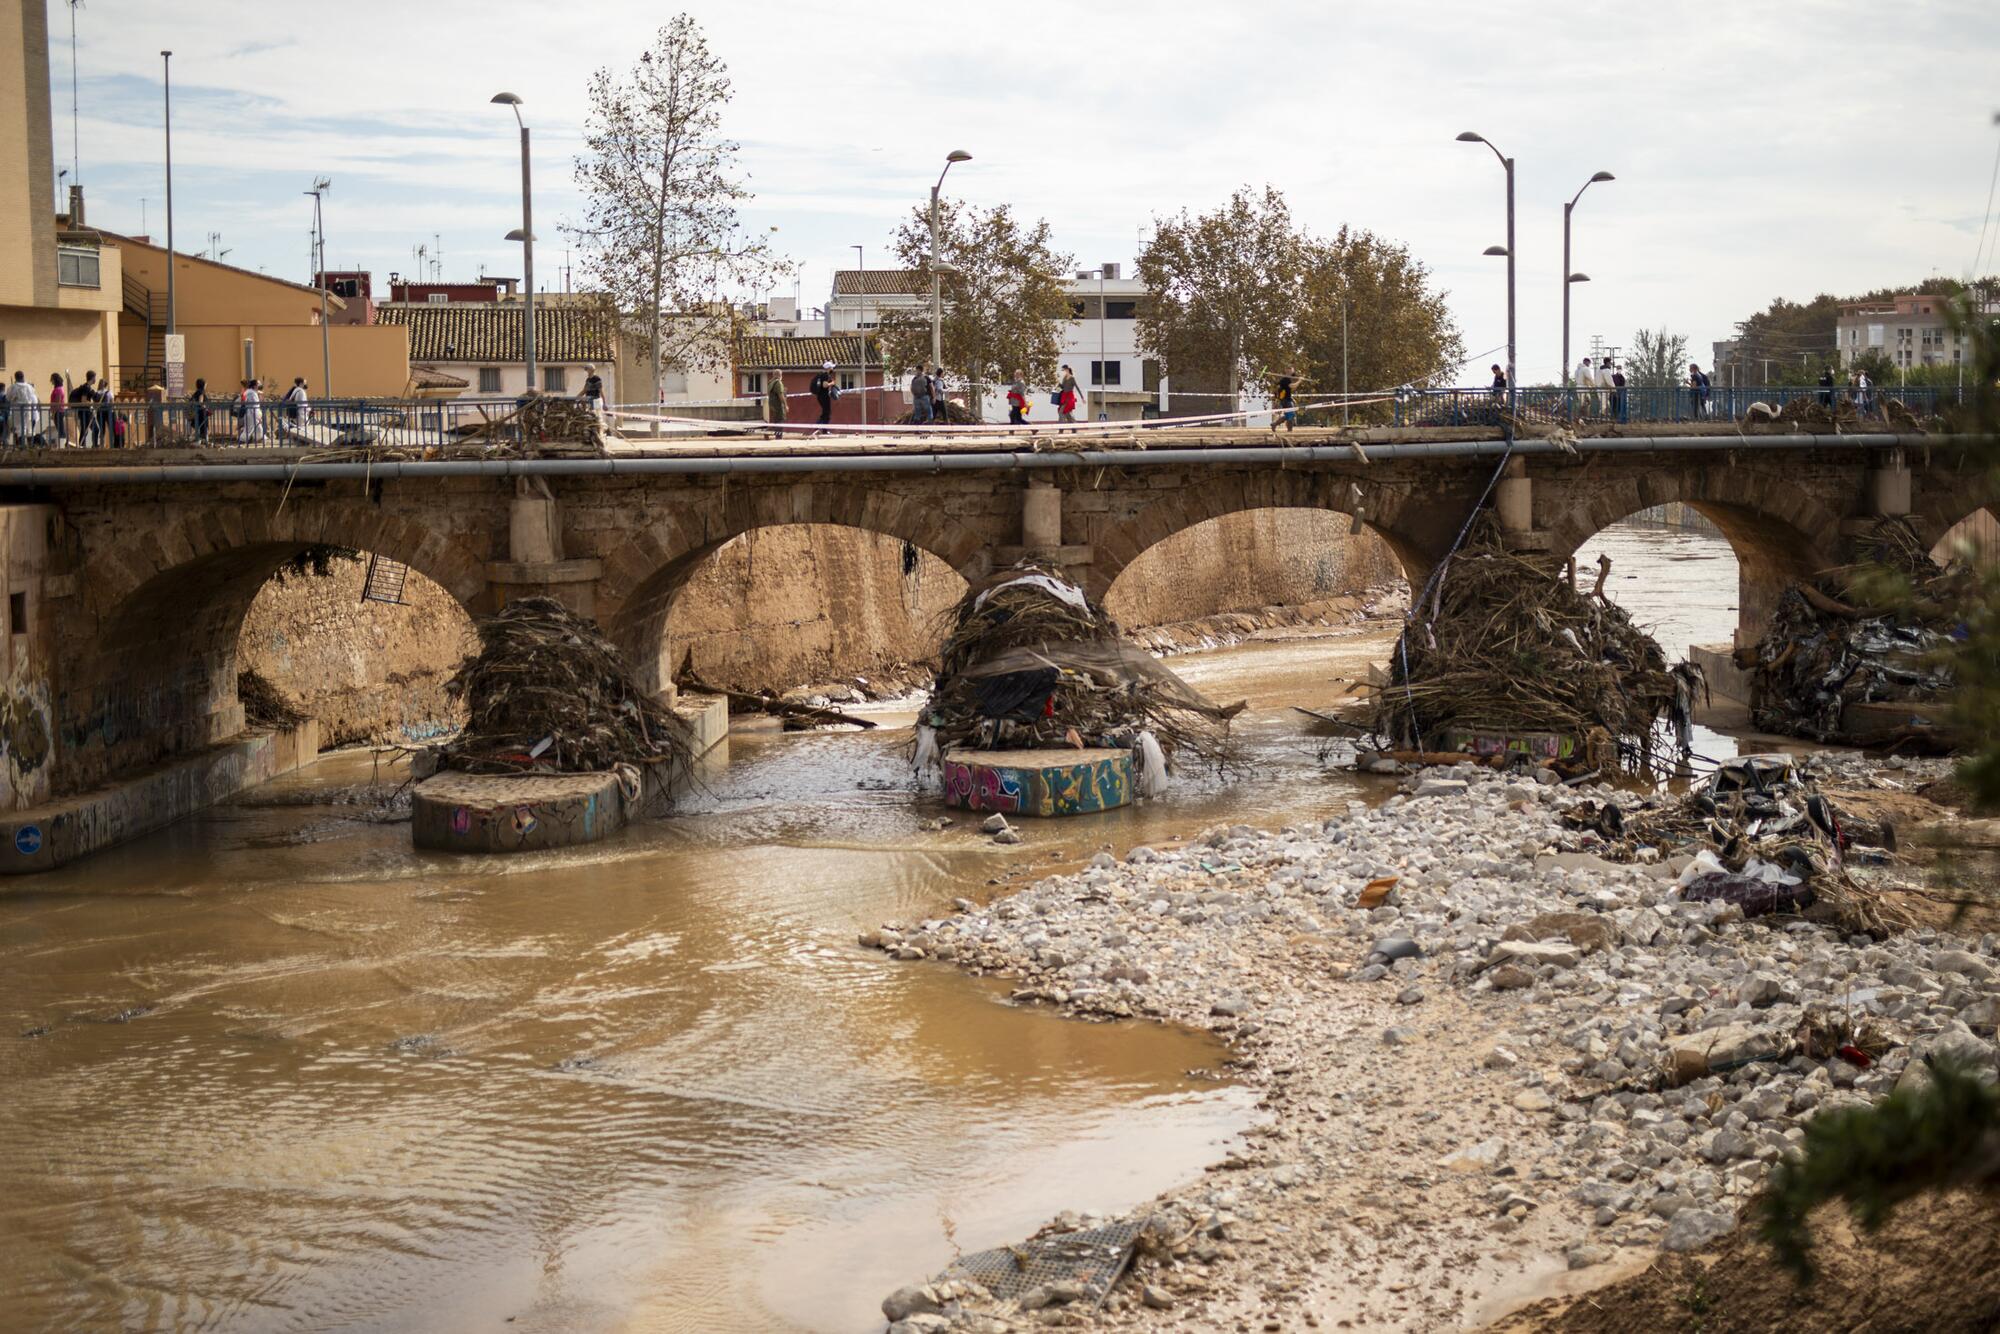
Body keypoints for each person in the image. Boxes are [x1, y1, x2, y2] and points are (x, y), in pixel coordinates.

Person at [6, 371, 41, 445]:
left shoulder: (13, 387)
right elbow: (32, 397)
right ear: (23, 377)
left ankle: (21, 446)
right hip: (27, 409)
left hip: (17, 410)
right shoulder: (29, 387)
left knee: (19, 429)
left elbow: (8, 398)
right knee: (28, 428)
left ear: (16, 377)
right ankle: (30, 445)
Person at [70, 370, 99, 445]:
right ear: (92, 378)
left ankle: (83, 445)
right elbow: (83, 400)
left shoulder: (87, 387)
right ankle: (93, 446)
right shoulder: (86, 387)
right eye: (95, 377)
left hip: (85, 411)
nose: (95, 379)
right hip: (85, 412)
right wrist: (92, 403)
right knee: (94, 429)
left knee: (85, 430)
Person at [237, 378, 265, 443]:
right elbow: (254, 406)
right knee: (249, 429)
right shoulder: (252, 394)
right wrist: (258, 417)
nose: (259, 385)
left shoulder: (250, 392)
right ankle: (241, 440)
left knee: (257, 428)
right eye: (258, 384)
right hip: (252, 414)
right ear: (255, 386)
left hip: (250, 413)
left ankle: (259, 439)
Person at [810, 360, 837, 427]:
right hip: (824, 396)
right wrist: (832, 383)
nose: (832, 369)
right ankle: (820, 426)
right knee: (827, 413)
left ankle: (821, 427)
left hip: (820, 396)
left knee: (826, 412)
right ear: (828, 368)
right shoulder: (825, 375)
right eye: (831, 367)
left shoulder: (821, 374)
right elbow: (824, 385)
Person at [48, 373, 67, 444]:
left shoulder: (58, 390)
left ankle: (63, 444)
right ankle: (62, 443)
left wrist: (53, 413)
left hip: (58, 411)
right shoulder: (59, 389)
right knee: (60, 428)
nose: (51, 381)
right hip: (58, 411)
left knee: (60, 429)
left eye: (52, 379)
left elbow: (57, 402)